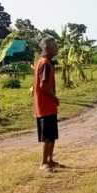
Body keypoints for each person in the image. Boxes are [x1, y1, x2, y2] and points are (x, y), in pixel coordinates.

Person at [33, 36, 62, 172]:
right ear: (47, 48)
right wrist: (55, 98)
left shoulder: (46, 62)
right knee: (47, 137)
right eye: (55, 46)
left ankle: (50, 160)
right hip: (45, 106)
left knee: (51, 135)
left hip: (48, 107)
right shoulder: (44, 63)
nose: (57, 48)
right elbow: (43, 85)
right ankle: (44, 162)